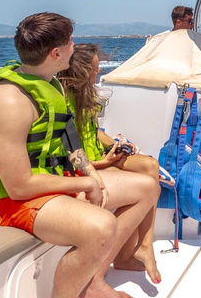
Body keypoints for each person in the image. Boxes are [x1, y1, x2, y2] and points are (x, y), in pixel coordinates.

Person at [0, 12, 156, 298]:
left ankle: (93, 282)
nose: (74, 45)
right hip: (6, 199)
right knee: (101, 226)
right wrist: (84, 184)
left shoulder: (47, 83)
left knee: (146, 186)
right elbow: (18, 186)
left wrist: (91, 172)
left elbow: (68, 140)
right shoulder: (10, 101)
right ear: (56, 53)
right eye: (69, 42)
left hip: (48, 182)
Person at [58, 43, 162, 284]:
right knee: (147, 183)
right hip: (85, 166)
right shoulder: (62, 100)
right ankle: (126, 255)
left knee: (150, 166)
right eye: (95, 69)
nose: (99, 73)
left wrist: (116, 142)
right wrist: (102, 162)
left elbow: (94, 132)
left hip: (99, 157)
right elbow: (69, 152)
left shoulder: (87, 94)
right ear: (81, 71)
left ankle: (140, 248)